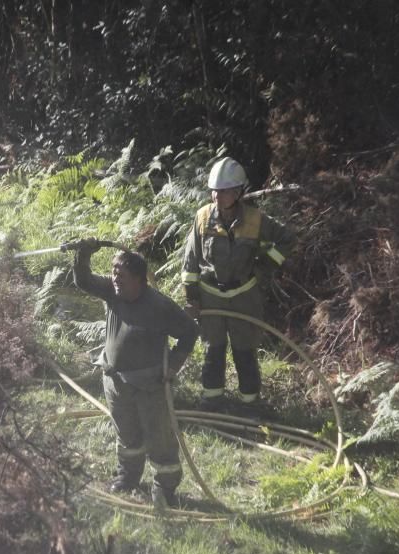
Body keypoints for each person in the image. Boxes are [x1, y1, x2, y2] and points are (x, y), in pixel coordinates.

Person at [70, 241, 199, 508]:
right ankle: (127, 478)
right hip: (115, 380)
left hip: (150, 385)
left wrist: (173, 365)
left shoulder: (159, 305)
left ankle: (165, 489)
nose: (115, 279)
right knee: (127, 435)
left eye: (122, 275)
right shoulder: (112, 291)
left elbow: (189, 332)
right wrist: (83, 254)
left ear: (140, 280)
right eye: (113, 272)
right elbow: (83, 281)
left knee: (160, 438)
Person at [181, 157, 296, 411]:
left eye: (222, 191)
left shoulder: (256, 220)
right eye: (214, 191)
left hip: (245, 297)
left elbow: (287, 239)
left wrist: (265, 267)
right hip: (211, 295)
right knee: (213, 350)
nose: (216, 196)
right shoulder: (202, 218)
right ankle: (212, 400)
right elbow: (190, 261)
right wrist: (192, 297)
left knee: (245, 351)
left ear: (238, 192)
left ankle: (250, 404)